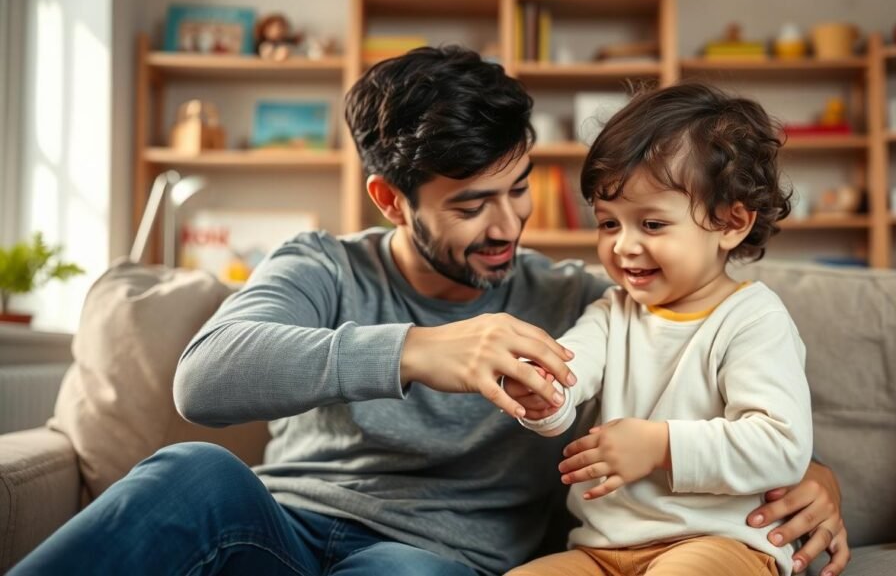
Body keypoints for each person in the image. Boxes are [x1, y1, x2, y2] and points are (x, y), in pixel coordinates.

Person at [10, 47, 848, 576]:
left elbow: (690, 362)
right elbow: (205, 377)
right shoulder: (321, 266)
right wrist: (416, 350)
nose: (509, 225)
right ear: (390, 198)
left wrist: (815, 476)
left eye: (518, 189)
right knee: (188, 472)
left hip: (436, 558)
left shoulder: (575, 295)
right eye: (473, 205)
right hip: (281, 528)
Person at [504, 82, 824, 576]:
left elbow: (780, 446)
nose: (624, 245)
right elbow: (571, 369)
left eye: (651, 224)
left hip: (722, 544)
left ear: (730, 223)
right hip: (602, 550)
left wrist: (659, 446)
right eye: (609, 223)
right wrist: (542, 395)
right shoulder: (613, 312)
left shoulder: (754, 318)